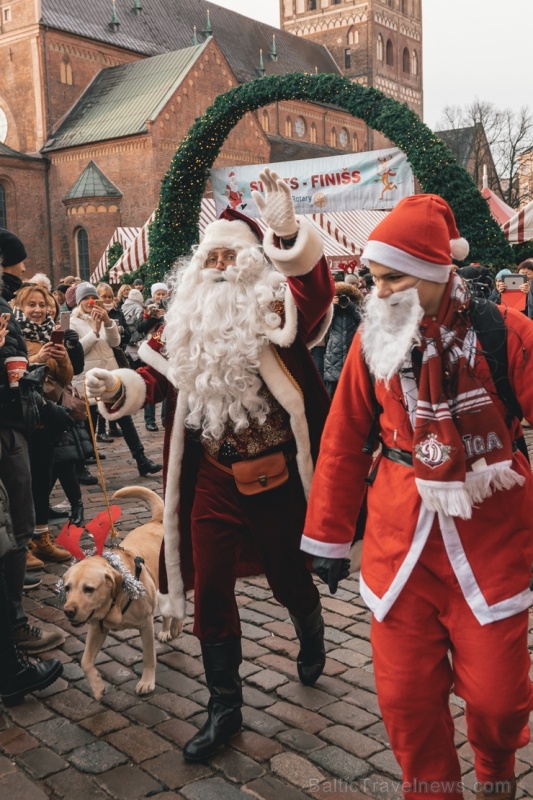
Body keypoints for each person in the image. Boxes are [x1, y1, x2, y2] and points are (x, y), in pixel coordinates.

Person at [85, 169, 334, 762]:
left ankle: (309, 622)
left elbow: (315, 295)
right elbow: (151, 376)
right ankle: (224, 707)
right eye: (212, 254)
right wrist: (114, 382)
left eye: (232, 254)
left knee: (286, 573)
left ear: (252, 264)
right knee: (212, 590)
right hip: (213, 483)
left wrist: (288, 231)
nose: (221, 263)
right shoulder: (185, 322)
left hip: (275, 478)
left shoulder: (274, 310)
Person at [301, 194, 533, 800]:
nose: (380, 292)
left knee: (500, 698)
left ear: (436, 270)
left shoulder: (504, 333)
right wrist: (327, 534)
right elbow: (344, 437)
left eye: (395, 277)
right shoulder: (372, 341)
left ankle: (495, 773)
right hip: (398, 540)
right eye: (374, 278)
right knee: (405, 699)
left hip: (491, 535)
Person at [70, 282, 162, 477]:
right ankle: (82, 466)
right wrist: (94, 331)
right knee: (89, 423)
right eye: (85, 298)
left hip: (110, 377)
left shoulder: (104, 317)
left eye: (92, 297)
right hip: (89, 379)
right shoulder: (73, 322)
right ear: (79, 302)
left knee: (124, 417)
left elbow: (115, 343)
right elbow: (77, 351)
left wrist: (108, 323)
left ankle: (141, 459)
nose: (90, 301)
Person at [322, 279, 362, 397]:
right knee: (332, 390)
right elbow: (324, 324)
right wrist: (331, 307)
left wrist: (350, 305)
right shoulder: (332, 311)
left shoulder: (353, 309)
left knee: (350, 388)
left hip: (351, 350)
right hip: (334, 353)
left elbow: (362, 321)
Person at [143, 282, 168, 431]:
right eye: (158, 294)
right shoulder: (148, 309)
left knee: (169, 383)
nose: (160, 296)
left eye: (163, 293)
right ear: (153, 295)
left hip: (167, 351)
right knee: (151, 382)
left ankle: (166, 418)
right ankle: (149, 420)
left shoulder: (172, 308)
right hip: (151, 350)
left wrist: (165, 316)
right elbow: (140, 327)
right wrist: (152, 317)